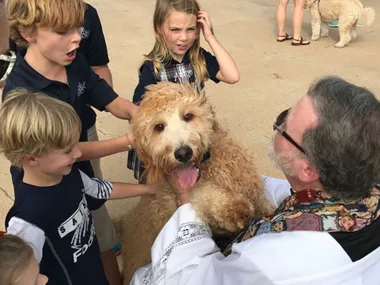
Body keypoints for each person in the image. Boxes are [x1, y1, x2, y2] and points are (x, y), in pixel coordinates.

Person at [131, 76, 380, 285]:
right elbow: (285, 192)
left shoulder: (267, 265)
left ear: (307, 169)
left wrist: (185, 198)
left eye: (284, 125)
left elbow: (188, 277)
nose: (277, 125)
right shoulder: (361, 195)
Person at [4, 1, 137, 283]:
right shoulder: (21, 94)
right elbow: (71, 153)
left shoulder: (73, 61)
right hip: (49, 173)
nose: (77, 36)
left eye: (78, 26)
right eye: (63, 30)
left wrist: (142, 117)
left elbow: (107, 97)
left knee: (97, 229)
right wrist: (128, 141)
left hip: (78, 151)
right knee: (65, 246)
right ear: (28, 32)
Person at [0, 89, 155, 285]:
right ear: (30, 158)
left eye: (75, 145)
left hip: (94, 273)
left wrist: (149, 190)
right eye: (67, 150)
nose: (77, 153)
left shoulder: (69, 173)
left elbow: (101, 190)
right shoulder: (26, 222)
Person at [128, 0, 240, 183]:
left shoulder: (199, 58)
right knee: (162, 192)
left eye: (190, 29)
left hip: (190, 134)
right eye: (175, 30)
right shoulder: (152, 68)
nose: (184, 38)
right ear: (159, 29)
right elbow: (139, 113)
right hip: (167, 141)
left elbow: (232, 76)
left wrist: (210, 36)